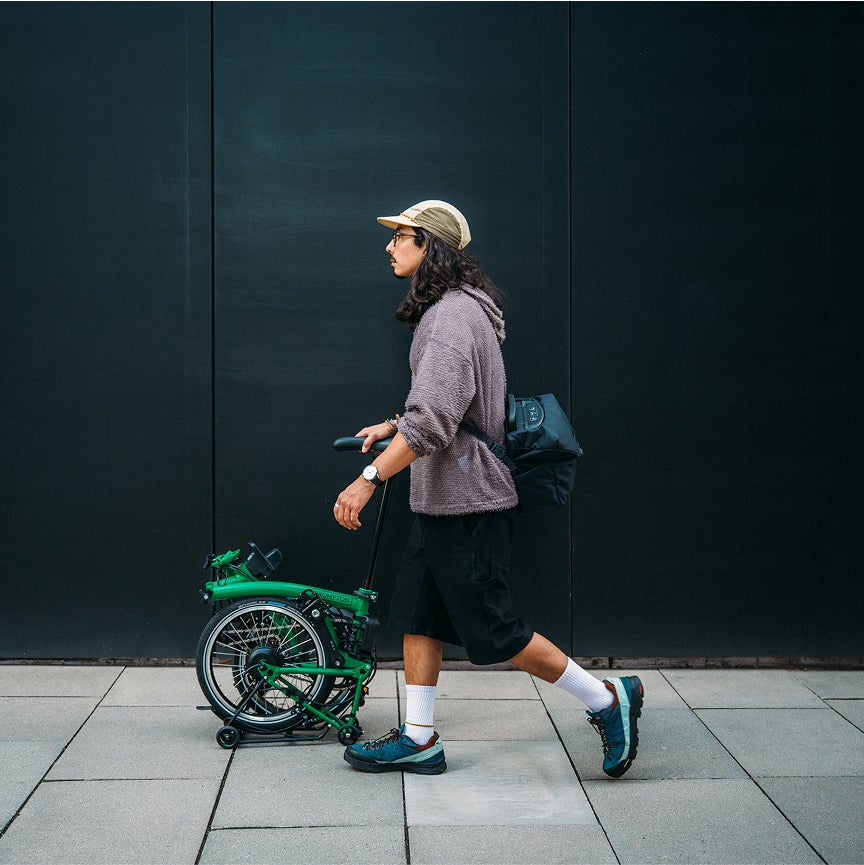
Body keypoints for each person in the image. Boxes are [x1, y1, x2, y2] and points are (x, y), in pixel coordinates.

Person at [333, 200, 643, 778]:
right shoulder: (456, 311)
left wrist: (368, 478)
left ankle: (606, 698)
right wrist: (393, 425)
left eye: (401, 236)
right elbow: (445, 407)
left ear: (430, 246)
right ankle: (419, 737)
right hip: (441, 500)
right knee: (420, 615)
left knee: (496, 629)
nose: (389, 245)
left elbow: (433, 422)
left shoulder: (451, 318)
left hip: (468, 504)